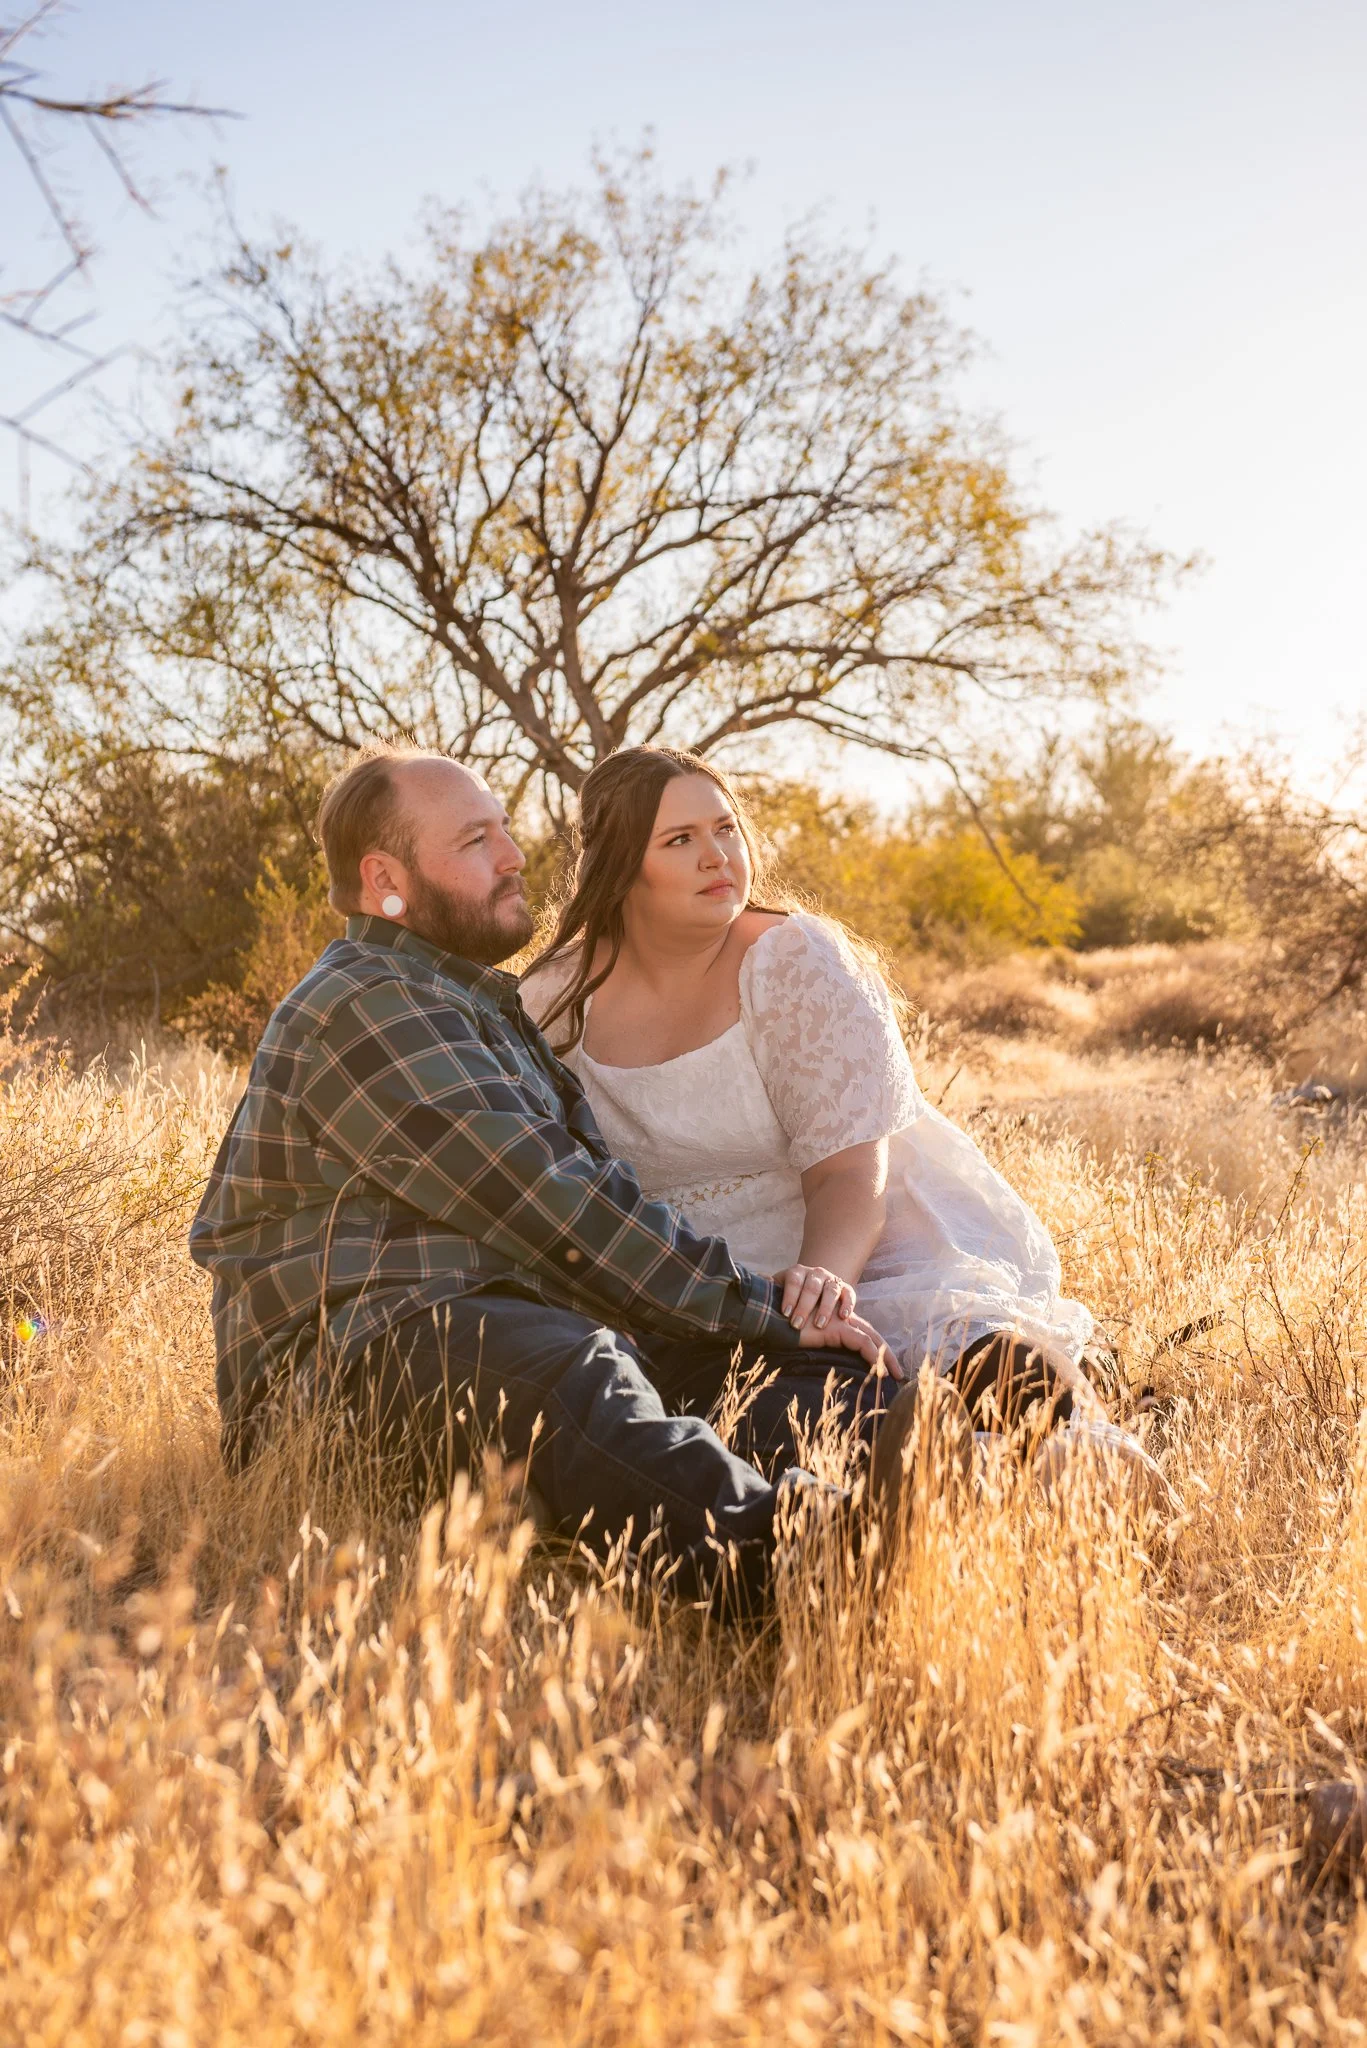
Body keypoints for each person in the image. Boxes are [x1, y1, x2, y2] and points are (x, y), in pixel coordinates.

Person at [189, 744, 971, 1613]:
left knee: (717, 1361)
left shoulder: (478, 1005)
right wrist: (760, 1300)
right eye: (476, 840)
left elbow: (592, 1217)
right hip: (346, 1361)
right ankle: (802, 1568)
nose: (516, 855)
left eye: (506, 831)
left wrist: (769, 1330)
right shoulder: (365, 1005)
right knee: (563, 1366)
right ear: (387, 879)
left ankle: (919, 1463)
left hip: (503, 1323)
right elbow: (558, 1206)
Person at [521, 746, 1159, 1480]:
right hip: (708, 1279)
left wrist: (822, 1283)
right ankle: (989, 1484)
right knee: (827, 1421)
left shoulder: (792, 959)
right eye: (679, 840)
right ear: (619, 866)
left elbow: (850, 1172)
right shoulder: (556, 1002)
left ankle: (1098, 1461)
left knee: (998, 1368)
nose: (716, 855)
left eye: (725, 828)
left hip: (858, 1232)